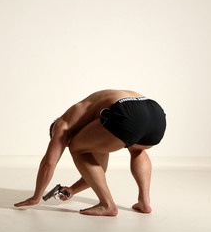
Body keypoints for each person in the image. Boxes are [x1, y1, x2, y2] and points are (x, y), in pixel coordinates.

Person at [14, 89, 166, 216]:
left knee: (76, 147)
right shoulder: (97, 125)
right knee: (137, 149)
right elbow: (100, 170)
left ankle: (107, 205)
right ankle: (144, 203)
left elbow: (49, 163)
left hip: (126, 111)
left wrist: (36, 197)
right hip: (155, 113)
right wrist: (73, 190)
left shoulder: (62, 124)